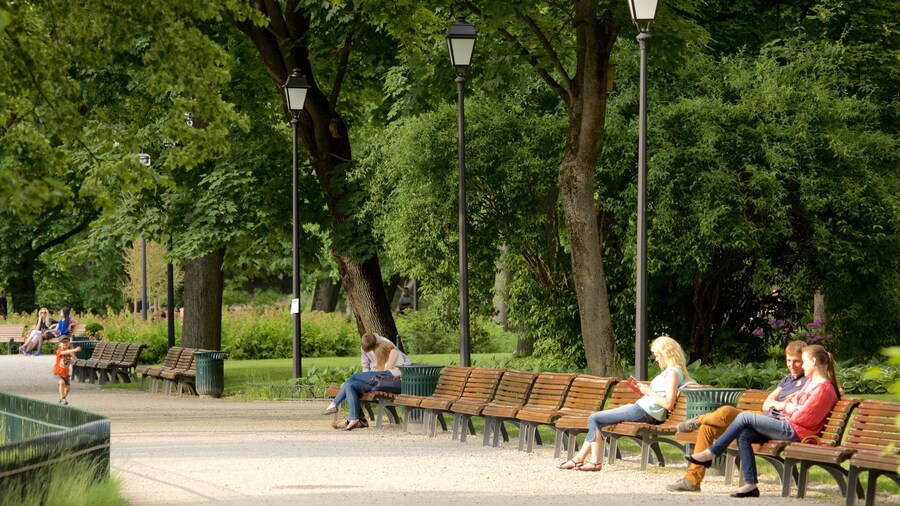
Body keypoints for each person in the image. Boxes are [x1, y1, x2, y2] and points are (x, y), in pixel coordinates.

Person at [685, 344, 840, 498]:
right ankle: (750, 485)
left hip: (796, 430)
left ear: (813, 361)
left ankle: (712, 453)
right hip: (786, 423)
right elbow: (796, 401)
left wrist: (789, 407)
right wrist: (793, 405)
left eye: (804, 361)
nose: (803, 365)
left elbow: (801, 417)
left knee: (744, 417)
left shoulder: (824, 388)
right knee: (744, 434)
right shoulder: (811, 382)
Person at [667, 340, 809, 492]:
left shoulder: (808, 381)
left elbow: (789, 406)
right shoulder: (787, 380)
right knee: (708, 428)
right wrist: (781, 404)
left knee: (727, 411)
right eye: (789, 360)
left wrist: (780, 405)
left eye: (797, 361)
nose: (792, 365)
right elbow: (766, 404)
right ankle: (691, 481)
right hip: (762, 421)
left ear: (805, 361)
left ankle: (697, 420)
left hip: (776, 424)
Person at [558, 335, 693, 472]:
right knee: (597, 420)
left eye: (657, 355)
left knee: (594, 418)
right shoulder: (670, 372)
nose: (656, 359)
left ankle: (595, 462)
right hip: (640, 409)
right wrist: (639, 398)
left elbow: (668, 404)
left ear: (666, 353)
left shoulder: (672, 373)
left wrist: (648, 391)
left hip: (644, 412)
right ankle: (579, 459)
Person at [323, 333, 412, 431]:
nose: (374, 355)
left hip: (390, 383)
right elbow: (376, 371)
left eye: (375, 352)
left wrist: (375, 370)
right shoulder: (376, 352)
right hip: (377, 384)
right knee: (350, 385)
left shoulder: (393, 352)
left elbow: (387, 373)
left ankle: (334, 404)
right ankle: (355, 419)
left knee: (354, 377)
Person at [53, 337, 81, 405]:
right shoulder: (59, 351)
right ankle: (63, 398)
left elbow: (73, 361)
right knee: (61, 382)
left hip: (66, 373)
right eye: (63, 342)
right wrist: (74, 350)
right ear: (59, 344)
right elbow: (64, 352)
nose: (65, 343)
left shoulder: (70, 352)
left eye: (67, 342)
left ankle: (61, 399)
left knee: (68, 388)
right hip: (58, 372)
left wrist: (73, 358)